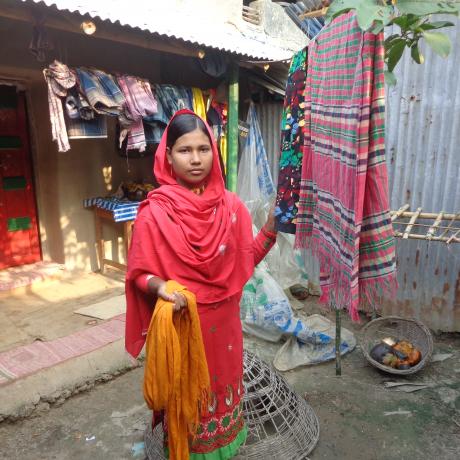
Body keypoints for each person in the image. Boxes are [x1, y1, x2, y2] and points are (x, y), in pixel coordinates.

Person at [125, 109, 277, 459]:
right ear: (168, 156)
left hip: (225, 329)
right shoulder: (155, 212)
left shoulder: (232, 208)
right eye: (184, 150)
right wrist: (160, 287)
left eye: (203, 149)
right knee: (187, 404)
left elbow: (243, 261)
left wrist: (269, 229)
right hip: (183, 327)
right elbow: (138, 274)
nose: (195, 159)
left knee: (222, 398)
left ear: (214, 152)